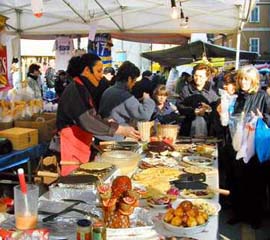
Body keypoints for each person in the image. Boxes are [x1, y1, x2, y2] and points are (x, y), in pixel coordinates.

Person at [56, 54, 140, 176]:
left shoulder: (82, 88)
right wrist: (119, 129)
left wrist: (106, 121)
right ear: (86, 70)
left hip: (80, 146)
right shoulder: (75, 89)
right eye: (98, 71)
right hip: (70, 149)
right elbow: (87, 120)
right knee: (73, 181)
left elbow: (91, 116)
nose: (101, 75)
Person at [224, 66, 270, 229]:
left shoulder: (262, 96)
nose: (243, 82)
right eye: (241, 78)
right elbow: (231, 120)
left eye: (247, 79)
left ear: (254, 81)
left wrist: (262, 118)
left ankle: (255, 217)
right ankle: (239, 214)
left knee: (256, 183)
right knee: (238, 181)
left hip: (255, 148)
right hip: (238, 145)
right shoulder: (237, 97)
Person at [98, 61, 155, 141]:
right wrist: (147, 99)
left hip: (105, 134)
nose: (134, 84)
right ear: (129, 79)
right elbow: (144, 115)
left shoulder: (109, 90)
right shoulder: (124, 95)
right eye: (134, 80)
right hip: (115, 137)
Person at [176, 63, 219, 136]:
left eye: (201, 76)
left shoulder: (213, 90)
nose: (197, 78)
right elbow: (180, 106)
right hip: (188, 128)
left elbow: (217, 109)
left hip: (210, 129)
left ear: (206, 77)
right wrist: (193, 111)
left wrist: (208, 110)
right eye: (196, 75)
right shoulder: (186, 89)